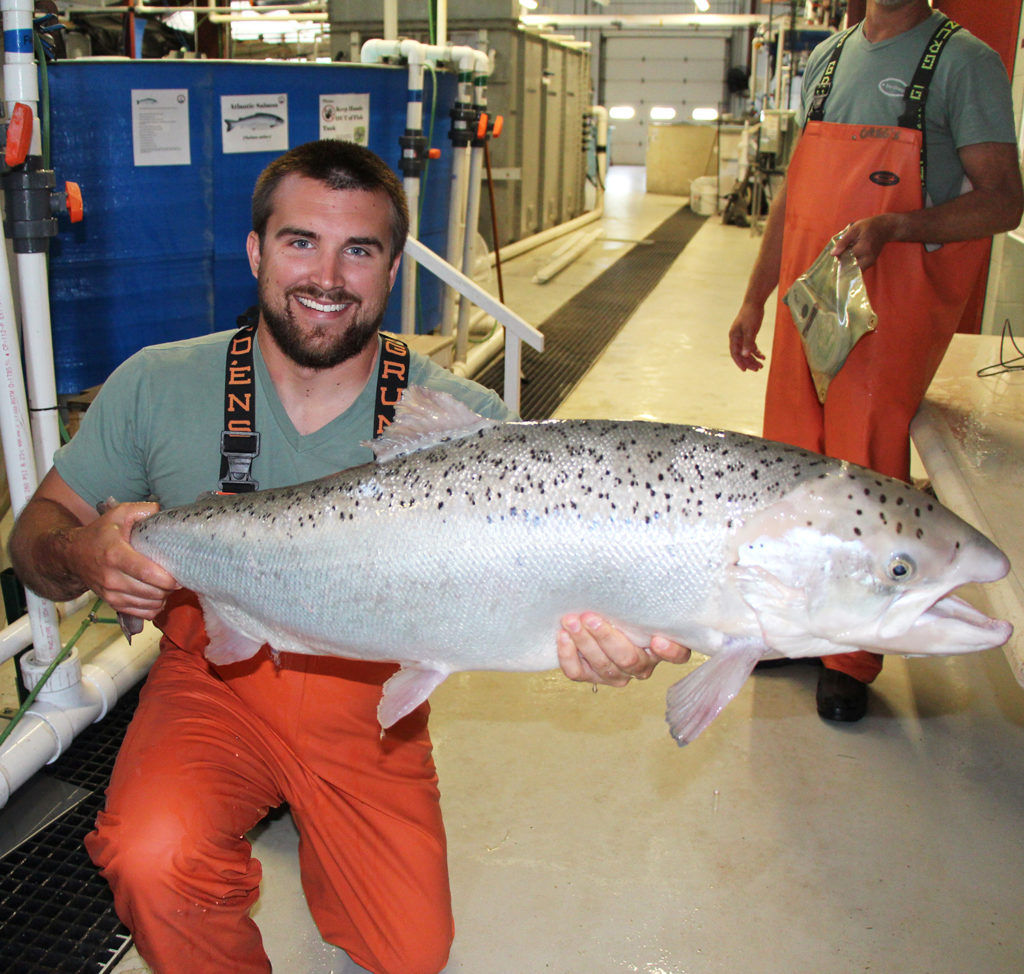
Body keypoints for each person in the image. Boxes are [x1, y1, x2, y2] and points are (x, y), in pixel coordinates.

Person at [8, 140, 690, 974]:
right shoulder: (157, 384)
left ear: (393, 267)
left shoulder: (465, 424)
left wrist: (601, 639)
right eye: (300, 241)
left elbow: (554, 572)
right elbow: (32, 540)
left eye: (358, 250)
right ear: (257, 251)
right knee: (154, 857)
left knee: (409, 955)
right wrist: (82, 551)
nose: (327, 276)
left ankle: (317, 808)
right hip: (215, 687)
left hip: (368, 709)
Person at [728, 0, 1023, 723]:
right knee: (792, 468)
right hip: (810, 303)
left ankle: (851, 655)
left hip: (890, 309)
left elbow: (1004, 202)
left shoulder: (964, 63)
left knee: (863, 468)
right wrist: (753, 298)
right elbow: (795, 195)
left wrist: (900, 226)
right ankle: (797, 627)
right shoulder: (827, 61)